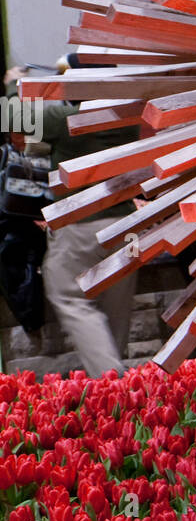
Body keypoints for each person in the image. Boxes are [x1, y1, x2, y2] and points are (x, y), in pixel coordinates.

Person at [4, 53, 138, 376]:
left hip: (80, 226)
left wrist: (13, 84)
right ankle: (121, 397)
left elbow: (13, 116)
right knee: (113, 311)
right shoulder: (128, 119)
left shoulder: (67, 121)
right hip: (126, 226)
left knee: (66, 293)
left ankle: (111, 379)